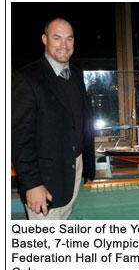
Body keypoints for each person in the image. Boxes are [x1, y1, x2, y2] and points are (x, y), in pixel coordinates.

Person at [12, 18, 95, 220]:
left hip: (73, 170)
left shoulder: (75, 74)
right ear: (44, 39)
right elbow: (18, 137)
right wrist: (32, 184)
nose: (64, 45)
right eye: (57, 38)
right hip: (44, 179)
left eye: (69, 39)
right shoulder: (27, 78)